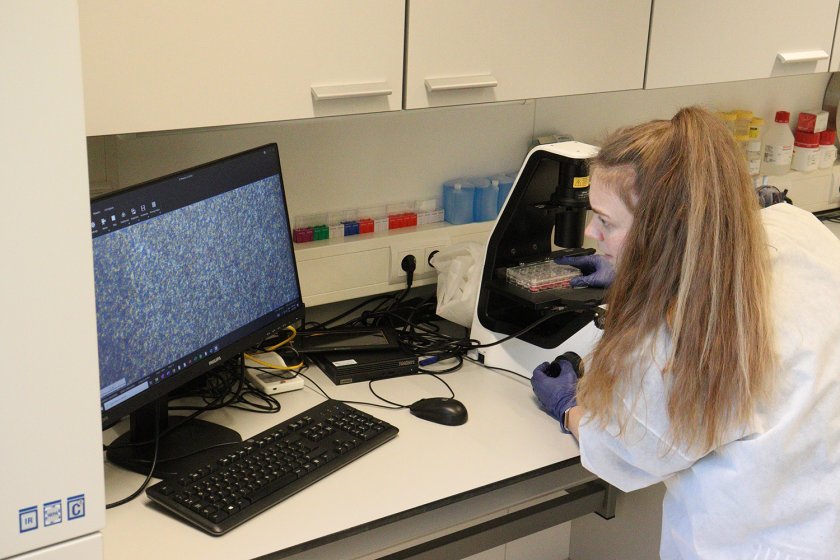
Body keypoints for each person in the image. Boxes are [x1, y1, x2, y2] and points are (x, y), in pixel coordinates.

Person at [530, 106, 840, 559]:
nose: (593, 231)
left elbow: (626, 451)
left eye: (607, 222)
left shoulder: (672, 343)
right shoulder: (799, 229)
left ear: (661, 234)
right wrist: (636, 271)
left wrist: (568, 407)